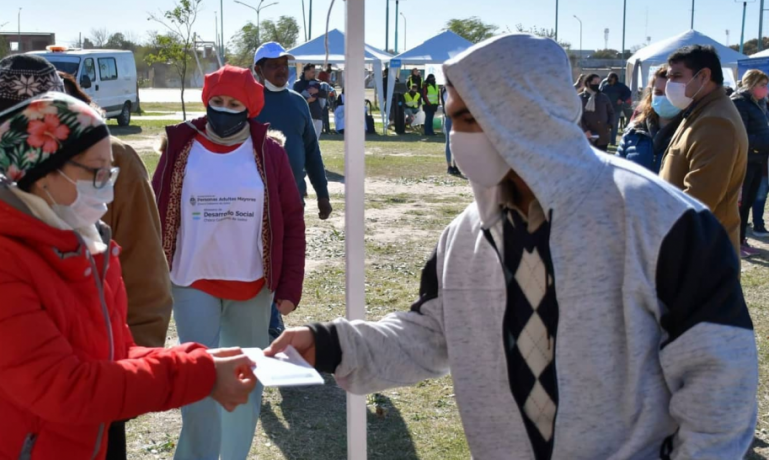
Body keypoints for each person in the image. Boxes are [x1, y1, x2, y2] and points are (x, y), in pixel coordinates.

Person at [267, 33, 758, 460]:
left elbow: (720, 389)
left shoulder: (665, 223)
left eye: (466, 118)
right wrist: (332, 344)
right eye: (452, 117)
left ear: (521, 117)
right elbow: (433, 335)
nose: (455, 135)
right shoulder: (464, 238)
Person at [0, 92, 258, 459]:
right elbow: (64, 388)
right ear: (44, 171)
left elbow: (111, 354)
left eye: (109, 171)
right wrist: (197, 374)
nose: (107, 186)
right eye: (95, 172)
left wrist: (202, 361)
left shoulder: (80, 244)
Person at [151, 65, 305, 460]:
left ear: (250, 108)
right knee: (198, 381)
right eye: (217, 101)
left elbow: (291, 217)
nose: (223, 109)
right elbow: (155, 209)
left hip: (252, 284)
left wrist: (288, 285)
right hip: (192, 280)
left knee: (244, 382)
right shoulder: (181, 146)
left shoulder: (269, 152)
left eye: (234, 103)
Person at [55, 69, 174, 459]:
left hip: (99, 371)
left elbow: (144, 266)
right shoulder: (10, 168)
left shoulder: (117, 159)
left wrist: (133, 362)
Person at [253, 43, 332, 342]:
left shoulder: (299, 101)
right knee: (262, 259)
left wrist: (322, 192)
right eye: (272, 64)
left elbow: (311, 150)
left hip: (292, 198)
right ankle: (269, 321)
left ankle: (272, 316)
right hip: (256, 199)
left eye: (284, 63)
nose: (281, 68)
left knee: (285, 259)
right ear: (258, 70)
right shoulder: (250, 102)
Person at [660, 44, 748, 258]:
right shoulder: (700, 110)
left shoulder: (715, 121)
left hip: (703, 254)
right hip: (693, 246)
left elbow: (699, 199)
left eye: (677, 76)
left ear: (704, 76)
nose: (670, 85)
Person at [731, 69, 769, 259]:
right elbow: (741, 134)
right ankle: (735, 242)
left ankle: (742, 240)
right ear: (751, 84)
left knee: (747, 202)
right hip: (744, 160)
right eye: (762, 85)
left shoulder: (759, 103)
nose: (766, 89)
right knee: (740, 203)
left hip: (757, 161)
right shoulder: (740, 102)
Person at [616, 66, 684, 173]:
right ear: (650, 95)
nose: (664, 98)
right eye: (658, 92)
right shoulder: (634, 130)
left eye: (669, 93)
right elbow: (617, 171)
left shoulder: (691, 133)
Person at [579, 73, 615, 150]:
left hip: (602, 134)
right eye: (595, 83)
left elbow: (611, 112)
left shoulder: (603, 97)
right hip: (588, 135)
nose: (597, 85)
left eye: (598, 83)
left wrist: (609, 125)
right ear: (588, 83)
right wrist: (585, 130)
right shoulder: (580, 98)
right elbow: (578, 117)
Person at [293, 63, 328, 140]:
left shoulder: (318, 83)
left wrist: (317, 91)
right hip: (303, 116)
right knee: (304, 141)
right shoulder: (298, 84)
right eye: (312, 72)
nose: (314, 74)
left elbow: (325, 94)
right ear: (306, 71)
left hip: (316, 115)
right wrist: (307, 100)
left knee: (315, 142)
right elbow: (296, 99)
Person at [599, 72, 632, 145]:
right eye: (608, 77)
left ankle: (612, 141)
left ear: (614, 78)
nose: (609, 79)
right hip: (606, 109)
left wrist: (621, 99)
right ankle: (606, 140)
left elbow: (628, 92)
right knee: (605, 125)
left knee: (614, 125)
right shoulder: (605, 86)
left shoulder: (621, 86)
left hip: (616, 109)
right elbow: (599, 94)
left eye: (610, 77)